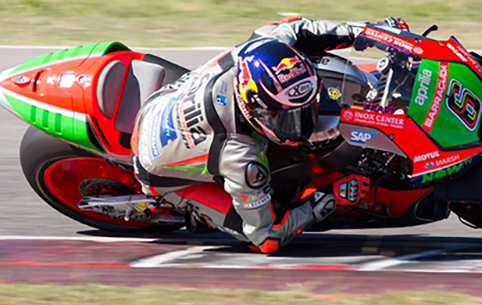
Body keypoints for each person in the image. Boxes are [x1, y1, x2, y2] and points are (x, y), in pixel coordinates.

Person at [131, 17, 409, 253]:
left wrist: (369, 33)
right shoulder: (239, 158)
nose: (303, 123)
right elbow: (265, 237)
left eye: (306, 107)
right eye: (287, 117)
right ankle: (190, 206)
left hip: (171, 98)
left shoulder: (262, 48)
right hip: (157, 166)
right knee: (261, 229)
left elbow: (300, 28)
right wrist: (328, 198)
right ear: (256, 107)